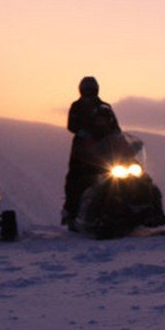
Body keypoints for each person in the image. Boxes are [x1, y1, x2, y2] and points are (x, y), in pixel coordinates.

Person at [62, 77, 121, 224]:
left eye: (91, 90)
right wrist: (85, 130)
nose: (88, 93)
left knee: (134, 176)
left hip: (106, 150)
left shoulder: (105, 107)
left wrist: (124, 143)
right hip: (83, 152)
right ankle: (71, 211)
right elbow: (71, 126)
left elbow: (116, 128)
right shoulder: (76, 106)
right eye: (86, 90)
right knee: (75, 180)